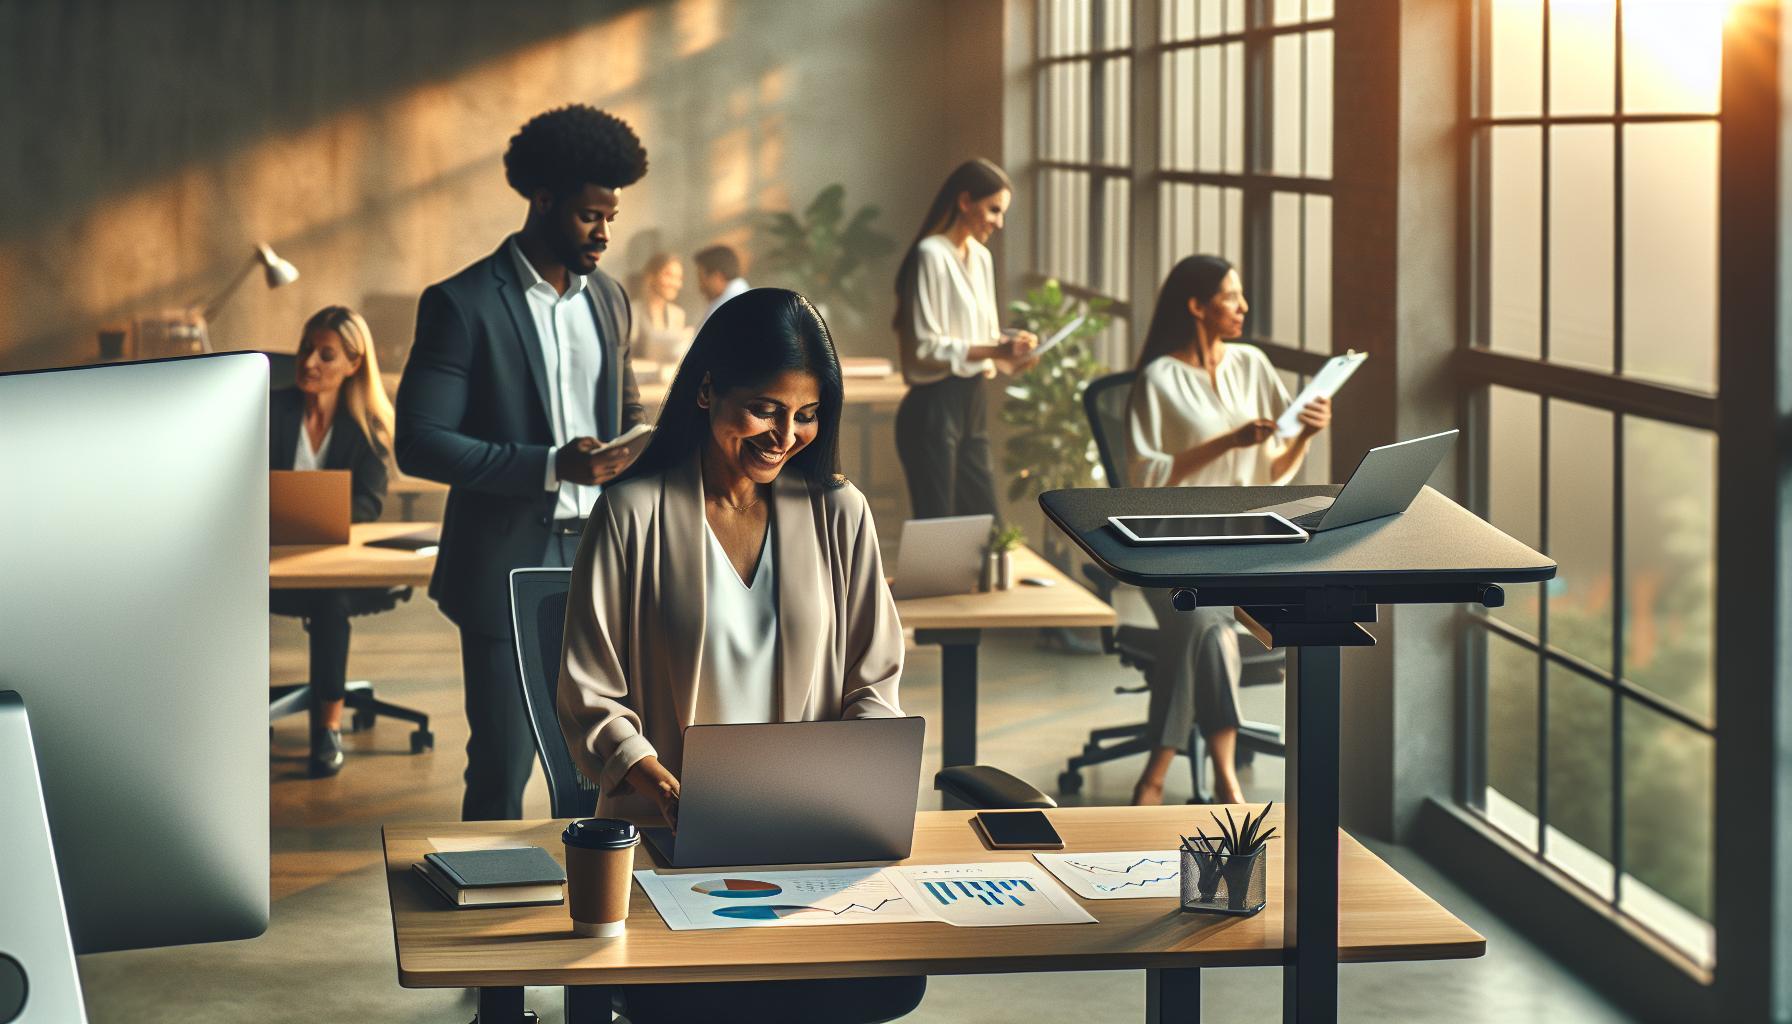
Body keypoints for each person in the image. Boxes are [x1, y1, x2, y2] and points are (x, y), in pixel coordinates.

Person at [556, 288, 923, 1021]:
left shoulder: (837, 511)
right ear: (706, 389)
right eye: (765, 408)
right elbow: (590, 691)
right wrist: (654, 779)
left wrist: (855, 777)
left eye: (808, 415)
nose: (785, 435)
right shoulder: (632, 514)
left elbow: (873, 680)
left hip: (809, 843)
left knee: (880, 981)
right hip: (670, 841)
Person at [396, 104, 648, 821]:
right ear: (542, 200)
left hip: (605, 561)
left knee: (611, 760)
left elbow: (625, 415)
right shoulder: (462, 303)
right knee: (503, 768)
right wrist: (550, 465)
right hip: (505, 563)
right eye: (589, 216)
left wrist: (645, 443)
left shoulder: (609, 298)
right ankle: (486, 912)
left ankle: (602, 907)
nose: (604, 233)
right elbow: (418, 441)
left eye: (611, 217)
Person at [1124, 255, 1330, 805]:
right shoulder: (1158, 379)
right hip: (1169, 545)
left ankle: (1157, 774)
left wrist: (1304, 437)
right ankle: (1223, 779)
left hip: (1244, 544)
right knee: (1206, 628)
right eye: (1231, 297)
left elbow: (1274, 470)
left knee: (1203, 627)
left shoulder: (1252, 365)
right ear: (1197, 306)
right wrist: (1227, 442)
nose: (1243, 307)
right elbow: (1144, 479)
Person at [268, 305, 397, 778]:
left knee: (330, 600)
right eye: (305, 349)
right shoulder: (269, 409)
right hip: (272, 563)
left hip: (341, 566)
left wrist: (313, 514)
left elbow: (369, 503)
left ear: (353, 363)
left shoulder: (368, 426)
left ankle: (328, 728)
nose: (309, 363)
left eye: (326, 354)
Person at [891, 158, 1037, 520]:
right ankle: (931, 581)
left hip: (972, 401)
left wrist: (1012, 351)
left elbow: (982, 338)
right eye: (993, 210)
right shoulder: (930, 255)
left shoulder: (981, 258)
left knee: (985, 521)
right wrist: (995, 348)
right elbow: (926, 347)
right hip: (933, 406)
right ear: (965, 201)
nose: (998, 222)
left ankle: (985, 577)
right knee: (940, 523)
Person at [628, 251, 693, 364]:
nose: (676, 283)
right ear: (650, 276)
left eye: (679, 278)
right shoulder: (632, 312)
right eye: (668, 275)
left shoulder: (677, 314)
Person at [693, 244, 749, 326]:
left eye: (701, 279)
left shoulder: (726, 310)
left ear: (717, 277)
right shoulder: (749, 299)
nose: (700, 287)